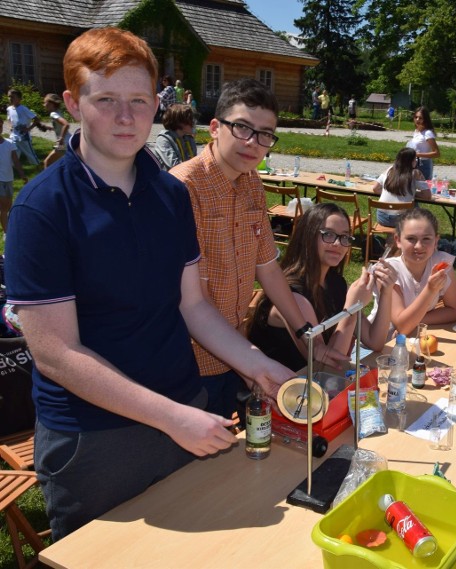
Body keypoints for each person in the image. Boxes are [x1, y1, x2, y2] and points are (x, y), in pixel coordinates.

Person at [3, 27, 295, 540]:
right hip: (95, 439)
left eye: (139, 100)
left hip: (185, 409)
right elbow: (55, 353)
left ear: (156, 104)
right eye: (106, 99)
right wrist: (170, 417)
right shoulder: (42, 208)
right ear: (73, 103)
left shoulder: (169, 195)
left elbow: (192, 305)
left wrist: (258, 364)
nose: (126, 116)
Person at [170, 78, 349, 421]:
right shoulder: (184, 188)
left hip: (237, 349)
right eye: (242, 128)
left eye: (265, 134)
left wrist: (309, 338)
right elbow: (195, 299)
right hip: (191, 360)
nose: (254, 143)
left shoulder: (252, 182)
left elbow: (268, 267)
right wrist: (251, 362)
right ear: (214, 128)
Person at [248, 203, 398, 371]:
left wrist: (386, 291)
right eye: (328, 234)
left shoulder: (335, 283)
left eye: (344, 237)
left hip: (314, 389)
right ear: (308, 236)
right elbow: (326, 367)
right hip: (285, 390)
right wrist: (352, 308)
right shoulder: (293, 295)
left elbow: (374, 341)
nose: (337, 243)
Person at [387, 208, 456, 337]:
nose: (419, 246)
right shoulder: (390, 270)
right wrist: (430, 289)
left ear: (436, 241)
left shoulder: (442, 263)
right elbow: (402, 327)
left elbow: (455, 311)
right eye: (411, 239)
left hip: (417, 336)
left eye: (426, 239)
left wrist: (414, 321)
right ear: (398, 240)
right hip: (383, 342)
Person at [372, 147, 428, 227]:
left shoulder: (389, 170)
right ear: (411, 161)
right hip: (401, 220)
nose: (416, 161)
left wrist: (389, 192)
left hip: (382, 217)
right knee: (416, 207)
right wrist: (411, 193)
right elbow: (427, 196)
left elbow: (375, 188)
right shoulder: (416, 173)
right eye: (415, 159)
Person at [6, 88, 44, 166]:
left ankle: (40, 169)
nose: (10, 98)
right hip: (14, 137)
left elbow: (36, 119)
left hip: (24, 138)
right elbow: (9, 119)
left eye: (13, 97)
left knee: (32, 156)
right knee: (13, 156)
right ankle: (11, 170)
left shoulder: (23, 109)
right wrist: (10, 126)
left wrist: (28, 129)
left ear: (19, 99)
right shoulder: (9, 109)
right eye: (9, 96)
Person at [0, 122, 27, 233]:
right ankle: (7, 234)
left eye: (0, 126)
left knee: (7, 206)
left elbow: (16, 161)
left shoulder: (9, 143)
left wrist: (22, 175)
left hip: (8, 179)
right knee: (4, 208)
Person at [153, 103, 198, 169]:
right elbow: (175, 166)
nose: (194, 123)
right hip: (169, 178)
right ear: (180, 122)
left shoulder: (189, 139)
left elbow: (196, 164)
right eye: (190, 120)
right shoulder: (163, 139)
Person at [407, 106, 440, 181]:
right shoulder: (417, 131)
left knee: (423, 190)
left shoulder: (428, 133)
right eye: (416, 117)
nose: (417, 120)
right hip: (414, 163)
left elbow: (437, 153)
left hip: (424, 165)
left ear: (425, 119)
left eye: (420, 118)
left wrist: (417, 154)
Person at [42, 93, 71, 170]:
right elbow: (61, 126)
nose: (44, 105)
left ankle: (48, 181)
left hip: (63, 144)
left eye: (45, 103)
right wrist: (51, 128)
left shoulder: (53, 114)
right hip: (68, 142)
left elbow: (66, 124)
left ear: (51, 103)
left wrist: (61, 138)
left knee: (47, 162)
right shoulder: (58, 112)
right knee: (63, 165)